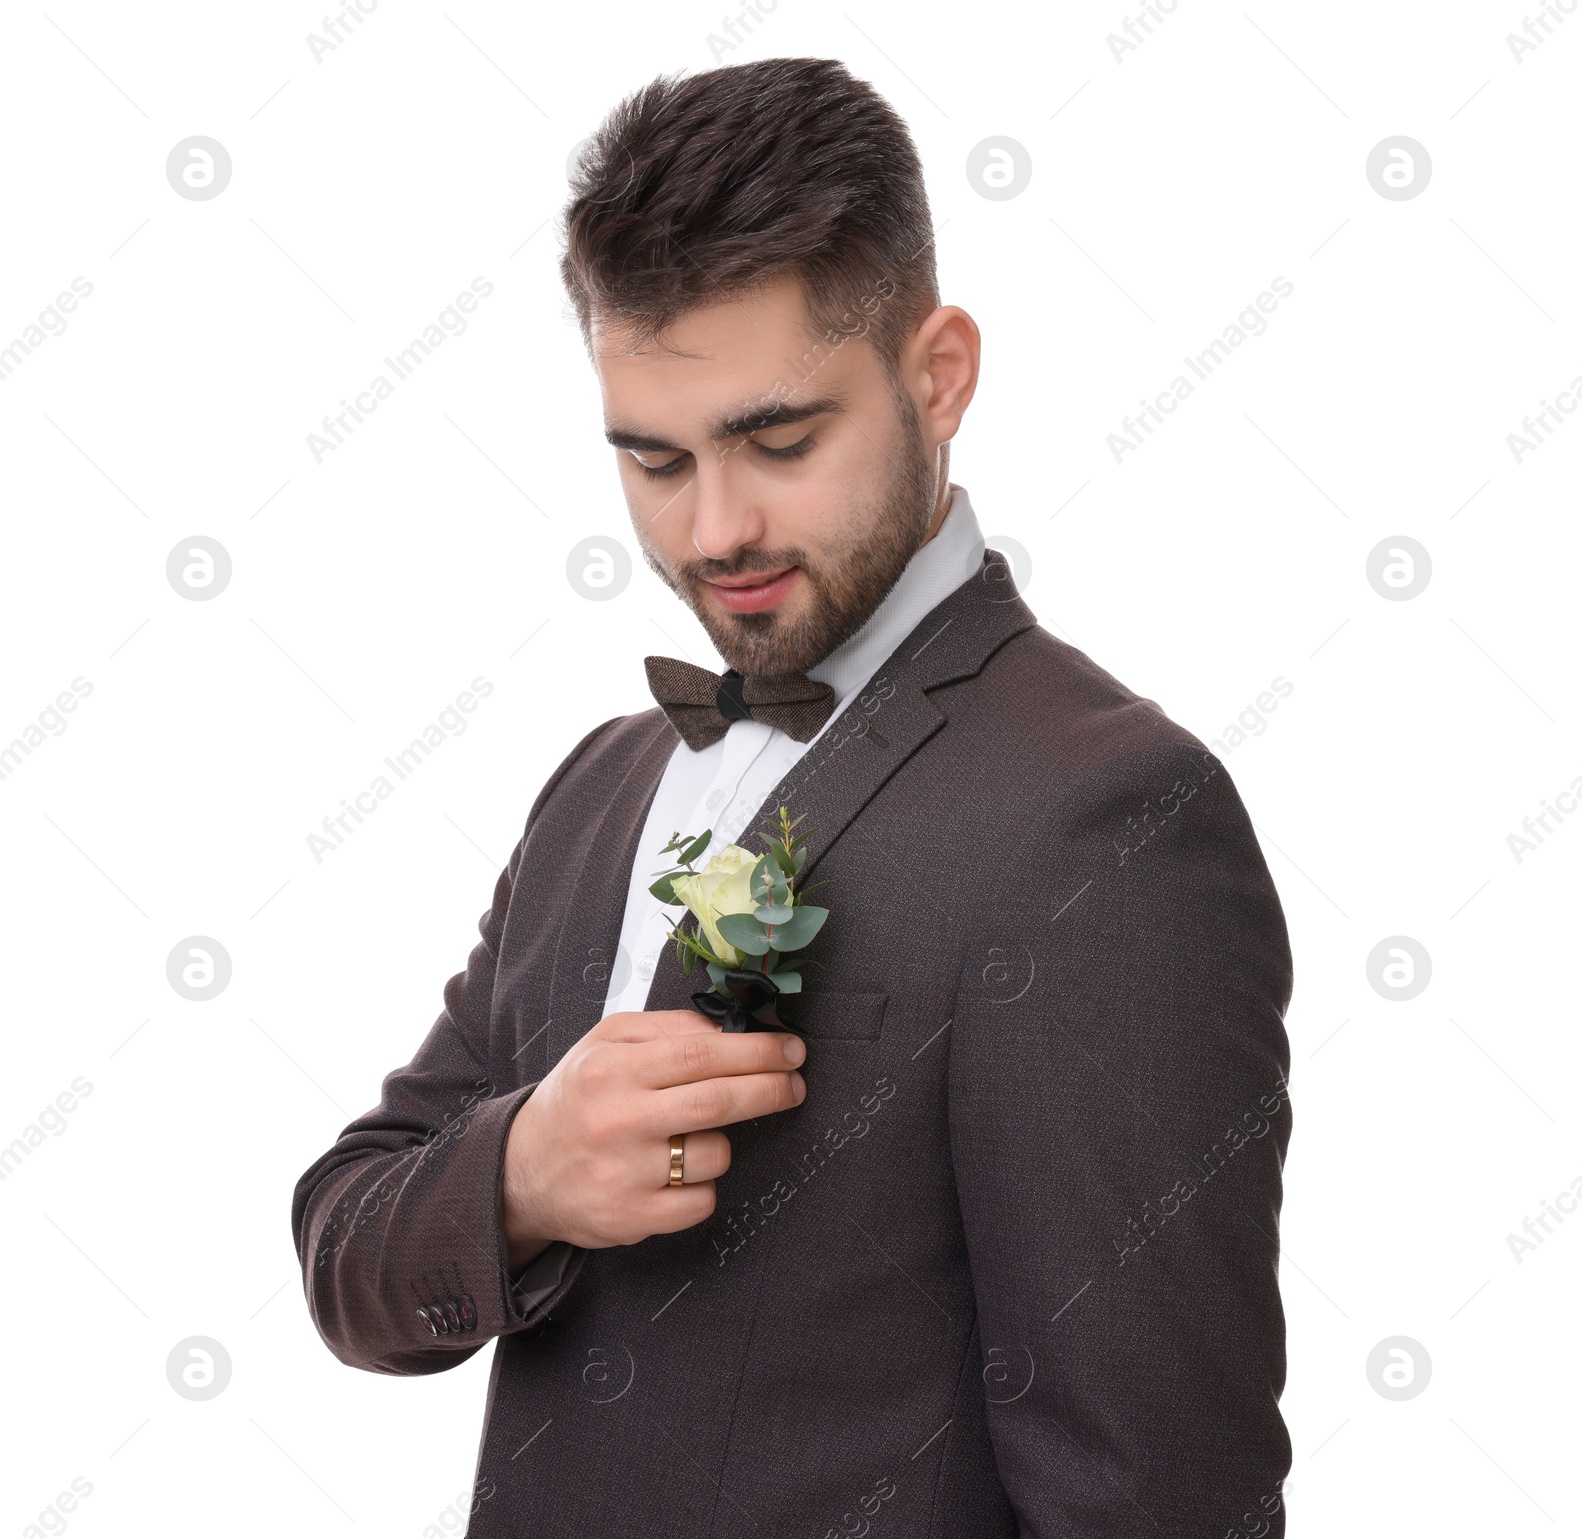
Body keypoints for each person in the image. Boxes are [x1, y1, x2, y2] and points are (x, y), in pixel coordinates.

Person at [292, 55, 1294, 1537]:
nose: (717, 529)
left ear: (938, 373)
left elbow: (1156, 1495)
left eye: (779, 442)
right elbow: (350, 1249)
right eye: (654, 459)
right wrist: (521, 1172)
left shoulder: (1113, 816)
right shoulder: (600, 785)